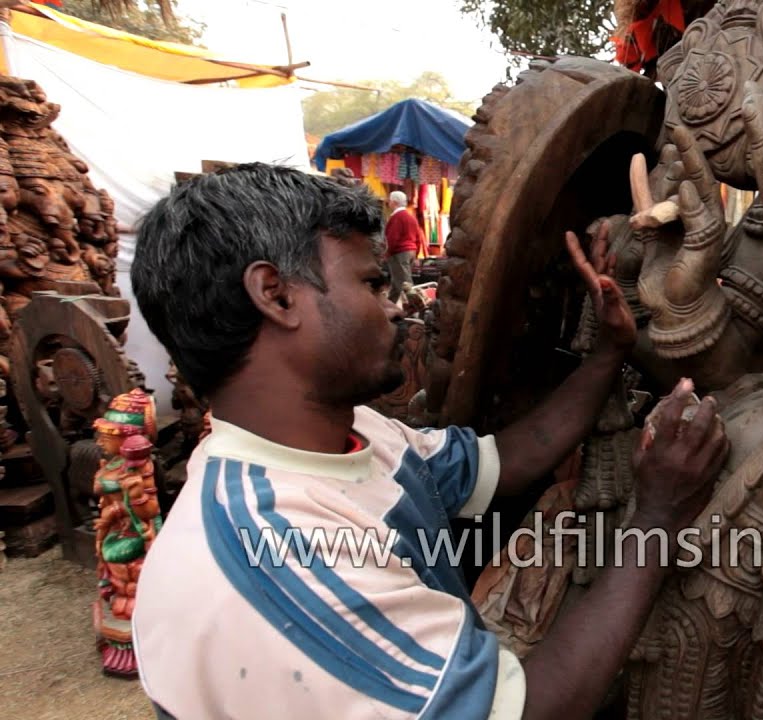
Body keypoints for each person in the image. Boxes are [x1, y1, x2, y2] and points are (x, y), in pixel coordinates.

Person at [129, 164, 729, 719]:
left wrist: (609, 353)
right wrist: (659, 515)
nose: (395, 307)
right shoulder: (280, 553)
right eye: (371, 283)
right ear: (277, 295)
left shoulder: (356, 436)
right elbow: (529, 712)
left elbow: (505, 463)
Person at [383, 189, 423, 304]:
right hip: (410, 251)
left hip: (399, 252)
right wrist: (416, 252)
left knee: (405, 282)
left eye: (390, 201)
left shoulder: (397, 217)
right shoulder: (411, 217)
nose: (388, 203)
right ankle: (390, 304)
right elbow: (418, 236)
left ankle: (416, 306)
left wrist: (387, 253)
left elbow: (392, 238)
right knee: (397, 281)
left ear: (394, 202)